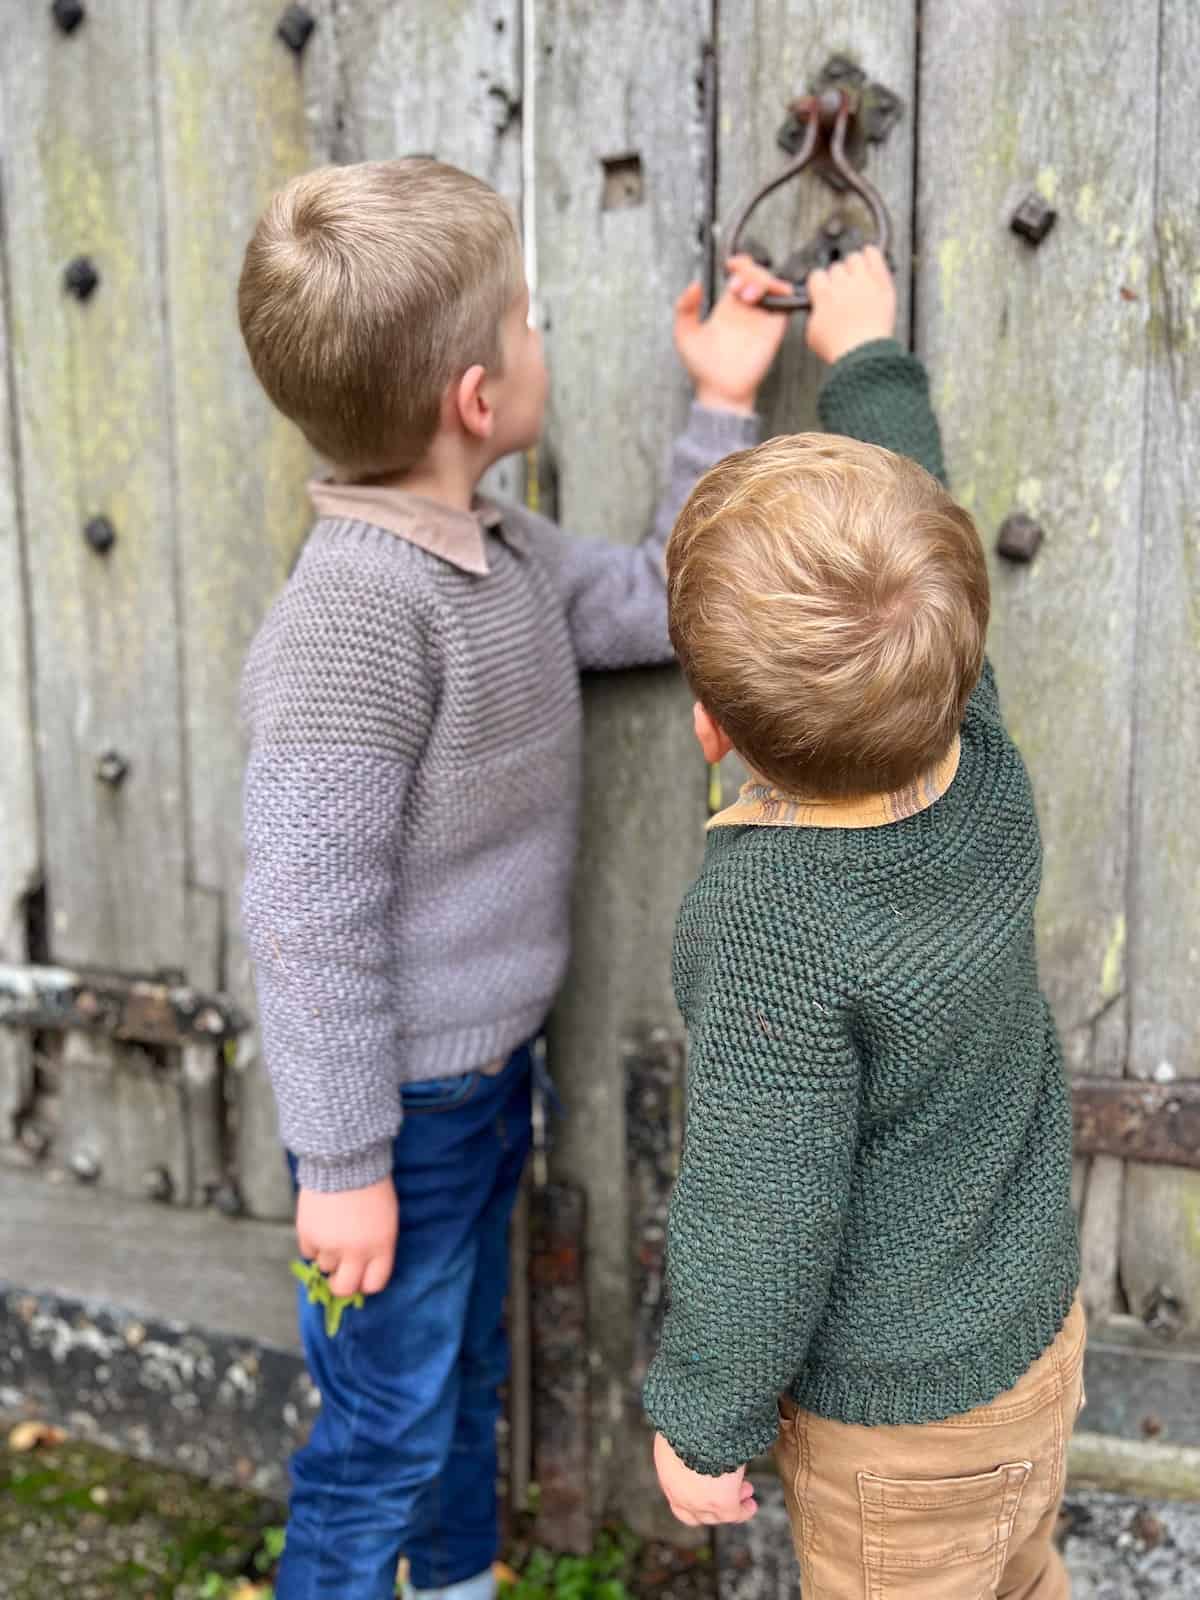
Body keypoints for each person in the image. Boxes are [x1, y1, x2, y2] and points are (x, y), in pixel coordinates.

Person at [236, 156, 791, 1600]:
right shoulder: (355, 617)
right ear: (477, 402)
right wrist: (347, 1165)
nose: (543, 343)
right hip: (395, 1124)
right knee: (381, 1431)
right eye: (530, 324)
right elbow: (306, 913)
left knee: (467, 1383)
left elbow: (671, 590)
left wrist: (724, 393)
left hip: (483, 1095)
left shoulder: (501, 550)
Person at [647, 247, 1082, 1600]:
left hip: (896, 1430)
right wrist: (867, 360)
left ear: (713, 731)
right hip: (1033, 1349)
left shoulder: (771, 920)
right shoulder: (980, 753)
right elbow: (918, 561)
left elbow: (756, 1209)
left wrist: (703, 1414)